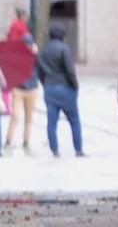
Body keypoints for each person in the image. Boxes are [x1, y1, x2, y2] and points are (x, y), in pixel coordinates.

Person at [36, 22, 84, 158]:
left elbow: (39, 72)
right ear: (63, 35)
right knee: (74, 120)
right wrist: (75, 85)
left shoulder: (42, 51)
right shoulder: (64, 49)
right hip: (65, 88)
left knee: (51, 121)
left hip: (49, 88)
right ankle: (78, 149)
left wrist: (45, 84)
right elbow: (70, 70)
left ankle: (54, 150)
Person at [5, 34, 39, 154]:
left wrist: (35, 54)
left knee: (29, 117)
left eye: (29, 45)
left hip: (32, 89)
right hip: (18, 90)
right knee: (15, 115)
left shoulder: (34, 56)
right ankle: (8, 141)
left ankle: (26, 141)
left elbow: (40, 68)